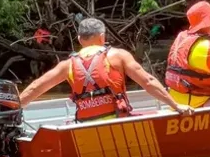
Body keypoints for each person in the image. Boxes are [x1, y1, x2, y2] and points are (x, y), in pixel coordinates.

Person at [19, 17, 194, 122]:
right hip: (118, 121)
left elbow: (36, 87)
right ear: (103, 37)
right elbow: (147, 82)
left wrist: (14, 108)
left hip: (85, 124)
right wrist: (175, 105)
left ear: (80, 39)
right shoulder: (118, 56)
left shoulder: (67, 65)